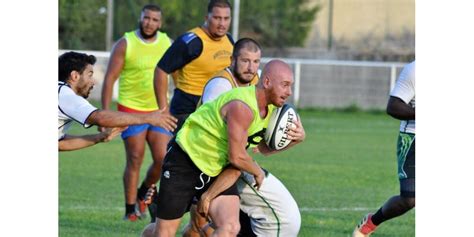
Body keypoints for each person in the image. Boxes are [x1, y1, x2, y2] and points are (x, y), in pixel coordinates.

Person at [140, 59, 305, 237]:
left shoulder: (272, 111)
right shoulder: (242, 106)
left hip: (216, 169)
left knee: (230, 227)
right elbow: (237, 157)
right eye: (285, 85)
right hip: (185, 161)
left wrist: (296, 139)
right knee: (163, 233)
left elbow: (263, 149)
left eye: (291, 86)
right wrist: (256, 171)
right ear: (266, 82)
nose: (289, 92)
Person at [180, 38, 301, 237]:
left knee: (214, 228)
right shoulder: (221, 86)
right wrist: (252, 169)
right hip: (202, 163)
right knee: (190, 226)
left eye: (255, 62)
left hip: (227, 166)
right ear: (232, 60)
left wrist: (295, 137)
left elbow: (260, 148)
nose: (251, 67)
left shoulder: (258, 88)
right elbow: (219, 143)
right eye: (245, 61)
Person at [137, 0, 234, 217]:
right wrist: (163, 109)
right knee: (183, 163)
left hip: (215, 114)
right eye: (217, 18)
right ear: (207, 17)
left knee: (210, 162)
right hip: (186, 111)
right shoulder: (191, 41)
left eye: (226, 18)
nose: (221, 23)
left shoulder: (230, 42)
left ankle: (187, 208)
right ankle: (161, 204)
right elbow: (161, 70)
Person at [100, 4, 174, 221]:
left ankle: (144, 191)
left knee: (163, 158)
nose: (149, 23)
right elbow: (110, 79)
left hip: (159, 110)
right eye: (146, 18)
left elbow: (177, 74)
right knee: (135, 157)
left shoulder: (166, 43)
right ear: (141, 18)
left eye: (154, 20)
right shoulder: (126, 43)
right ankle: (130, 209)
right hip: (130, 109)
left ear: (160, 23)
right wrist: (105, 115)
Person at [58, 51, 177, 152]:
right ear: (75, 76)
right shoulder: (64, 94)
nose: (93, 81)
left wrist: (99, 137)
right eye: (90, 75)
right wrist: (149, 118)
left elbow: (59, 143)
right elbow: (100, 118)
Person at [352, 61, 415, 237]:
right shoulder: (415, 70)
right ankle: (372, 222)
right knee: (409, 199)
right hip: (413, 139)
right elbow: (393, 106)